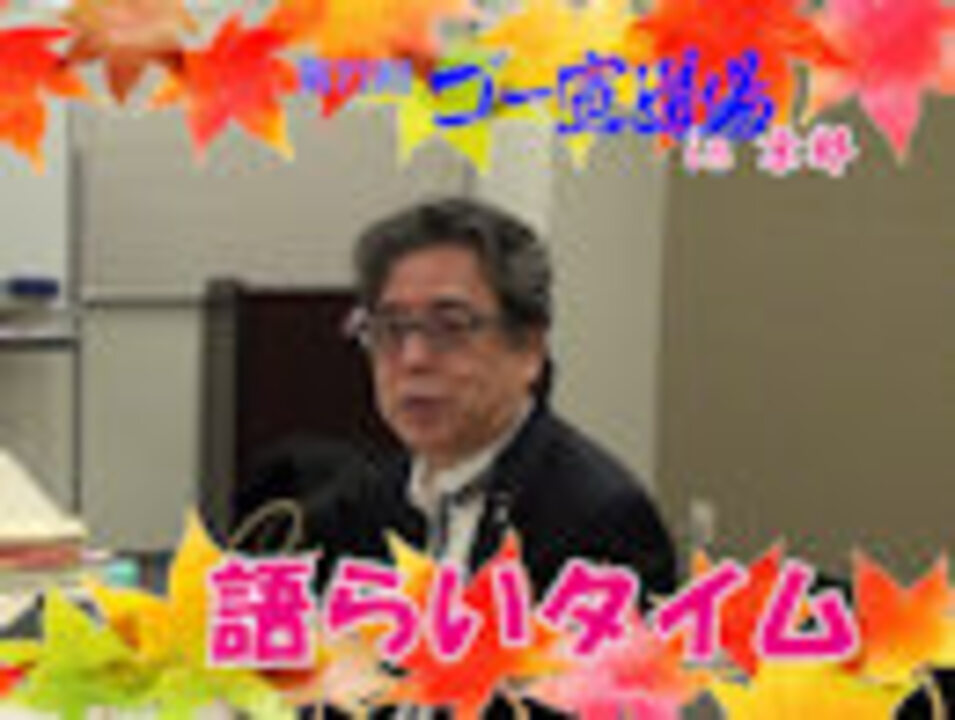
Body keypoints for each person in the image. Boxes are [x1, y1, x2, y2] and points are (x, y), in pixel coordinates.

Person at [249, 196, 677, 718]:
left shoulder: (598, 520)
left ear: (529, 350)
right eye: (390, 329)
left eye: (450, 328)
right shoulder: (363, 505)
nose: (413, 359)